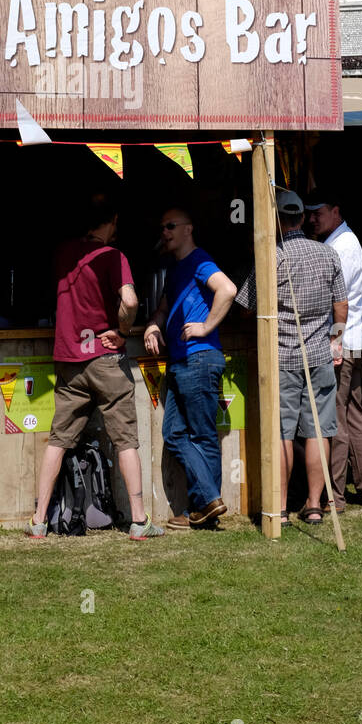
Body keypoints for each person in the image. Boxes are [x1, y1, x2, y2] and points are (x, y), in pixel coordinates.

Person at [27, 195, 164, 540]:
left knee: (58, 440)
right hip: (104, 359)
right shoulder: (113, 256)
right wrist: (122, 331)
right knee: (126, 440)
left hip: (69, 360)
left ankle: (39, 521)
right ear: (113, 221)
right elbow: (130, 299)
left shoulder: (62, 253)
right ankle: (138, 521)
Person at [236, 190, 348, 526]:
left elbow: (244, 308)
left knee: (283, 433)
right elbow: (341, 305)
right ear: (301, 218)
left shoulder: (271, 257)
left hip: (282, 358)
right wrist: (336, 341)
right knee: (317, 432)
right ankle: (314, 505)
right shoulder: (327, 254)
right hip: (319, 355)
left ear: (276, 220)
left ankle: (281, 509)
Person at [144, 208, 238, 529]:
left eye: (171, 226)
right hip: (182, 361)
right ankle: (208, 503)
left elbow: (227, 289)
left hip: (198, 357)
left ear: (189, 229)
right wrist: (152, 327)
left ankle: (204, 508)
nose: (165, 232)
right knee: (174, 433)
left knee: (202, 436)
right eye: (162, 227)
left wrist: (205, 325)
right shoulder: (175, 269)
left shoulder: (198, 260)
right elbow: (161, 310)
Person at [305, 189, 362, 512]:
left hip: (343, 342)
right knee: (355, 415)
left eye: (318, 213)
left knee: (334, 419)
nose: (312, 219)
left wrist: (333, 341)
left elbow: (340, 301)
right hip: (352, 340)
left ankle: (334, 495)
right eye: (309, 213)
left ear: (335, 211)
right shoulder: (342, 242)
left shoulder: (341, 246)